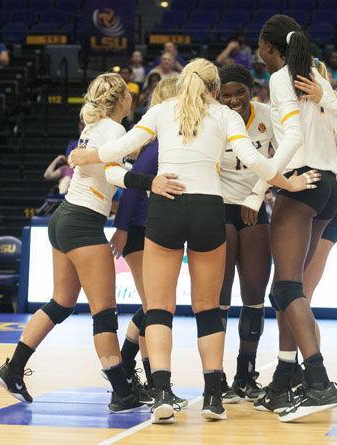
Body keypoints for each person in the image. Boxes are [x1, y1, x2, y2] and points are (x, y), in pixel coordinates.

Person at [69, 58, 321, 423]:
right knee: (207, 307)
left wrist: (88, 154)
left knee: (158, 308)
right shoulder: (225, 115)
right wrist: (290, 183)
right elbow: (254, 161)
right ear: (215, 89)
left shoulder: (161, 110)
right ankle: (213, 396)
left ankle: (161, 394)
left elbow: (122, 147)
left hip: (166, 205)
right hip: (208, 208)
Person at [0, 73, 185, 414]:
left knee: (61, 303)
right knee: (104, 314)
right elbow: (112, 173)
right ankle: (121, 391)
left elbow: (105, 165)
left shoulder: (91, 128)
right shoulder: (113, 130)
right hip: (83, 223)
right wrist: (149, 181)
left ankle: (13, 368)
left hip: (63, 219)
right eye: (130, 97)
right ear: (121, 101)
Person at [243, 15, 337, 422]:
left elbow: (299, 137)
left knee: (285, 290)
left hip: (301, 182)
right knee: (291, 290)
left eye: (259, 49)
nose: (258, 56)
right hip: (328, 190)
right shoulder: (314, 73)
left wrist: (258, 188)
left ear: (269, 47)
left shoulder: (284, 78)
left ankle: (319, 383)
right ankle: (285, 379)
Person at [108, 76, 184, 409]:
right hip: (138, 231)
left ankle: (131, 367)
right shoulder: (155, 143)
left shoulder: (166, 139)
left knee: (154, 306)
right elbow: (133, 186)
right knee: (156, 308)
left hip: (147, 228)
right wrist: (122, 228)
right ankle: (152, 382)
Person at [213, 64, 273, 402]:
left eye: (240, 92)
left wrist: (257, 194)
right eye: (227, 94)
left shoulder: (268, 116)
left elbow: (280, 158)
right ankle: (216, 373)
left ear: (252, 89)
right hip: (219, 207)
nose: (234, 99)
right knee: (219, 295)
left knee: (254, 292)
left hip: (254, 206)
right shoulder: (213, 118)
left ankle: (245, 373)